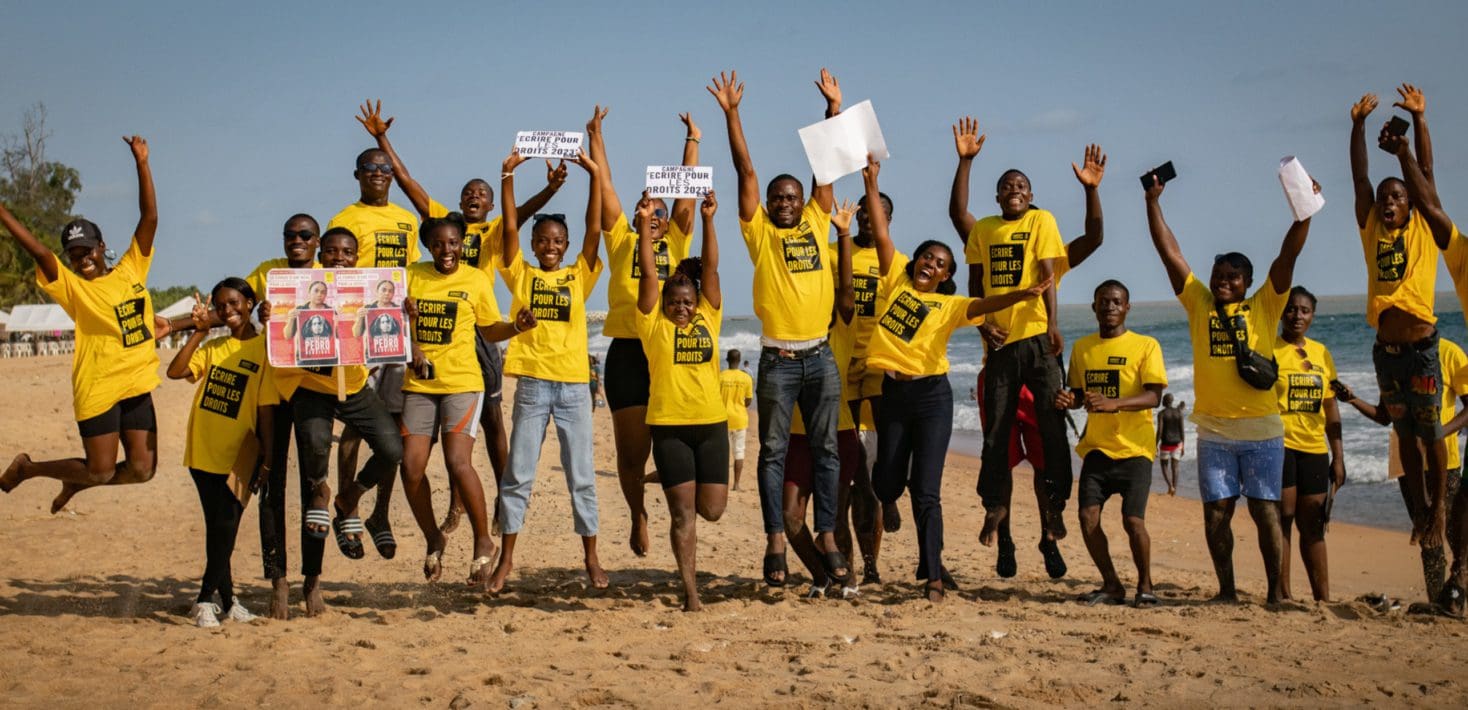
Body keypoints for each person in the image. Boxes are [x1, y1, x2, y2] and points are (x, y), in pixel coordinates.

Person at [355, 100, 566, 539]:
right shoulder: (440, 227)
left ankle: (504, 502)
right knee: (427, 429)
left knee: (491, 421)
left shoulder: (491, 232)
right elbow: (409, 184)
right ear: (456, 205)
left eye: (482, 194)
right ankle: (445, 503)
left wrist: (550, 190)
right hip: (434, 335)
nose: (475, 197)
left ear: (490, 205)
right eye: (469, 192)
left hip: (478, 332)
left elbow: (520, 212)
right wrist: (381, 139)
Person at [862, 155, 1048, 601]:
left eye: (941, 263)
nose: (932, 263)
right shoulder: (894, 282)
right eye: (927, 256)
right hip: (891, 396)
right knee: (886, 481)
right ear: (916, 263)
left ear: (947, 276)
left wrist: (1027, 292)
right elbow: (882, 233)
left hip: (931, 399)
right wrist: (872, 183)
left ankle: (933, 576)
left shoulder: (949, 307)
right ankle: (888, 499)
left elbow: (984, 304)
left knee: (926, 490)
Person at [1144, 167, 1314, 604]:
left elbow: (1287, 257)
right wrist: (1153, 202)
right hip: (1215, 432)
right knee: (1216, 514)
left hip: (1262, 431)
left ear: (1248, 283)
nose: (1223, 281)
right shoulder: (1199, 304)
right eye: (1218, 274)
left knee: (1264, 512)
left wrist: (1305, 212)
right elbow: (1171, 254)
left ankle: (1276, 594)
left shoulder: (1265, 305)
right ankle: (1226, 592)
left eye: (1232, 277)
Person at [709, 68, 848, 587]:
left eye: (793, 196)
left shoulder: (817, 218)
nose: (787, 203)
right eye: (779, 198)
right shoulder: (759, 234)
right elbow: (746, 170)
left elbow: (826, 168)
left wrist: (833, 111)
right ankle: (774, 541)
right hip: (778, 361)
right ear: (768, 206)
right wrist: (732, 114)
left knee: (828, 450)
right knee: (772, 452)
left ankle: (828, 535)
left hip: (821, 357)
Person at [951, 117, 1100, 551]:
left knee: (1053, 426)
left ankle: (1053, 504)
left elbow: (1051, 272)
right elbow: (974, 284)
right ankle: (994, 506)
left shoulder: (1044, 225)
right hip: (1000, 348)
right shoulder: (985, 230)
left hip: (1037, 342)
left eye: (1022, 186)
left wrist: (1053, 326)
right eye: (1007, 186)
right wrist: (982, 326)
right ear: (997, 196)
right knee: (996, 433)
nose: (1014, 190)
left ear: (1032, 196)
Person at [1, 136, 160, 513]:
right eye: (73, 254)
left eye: (86, 250)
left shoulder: (132, 267)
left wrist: (141, 163)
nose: (81, 258)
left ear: (102, 246)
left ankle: (75, 484)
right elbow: (38, 251)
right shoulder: (70, 287)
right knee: (101, 470)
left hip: (136, 383)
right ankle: (29, 468)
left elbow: (150, 218)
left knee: (143, 470)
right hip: (98, 385)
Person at [263, 227, 404, 616]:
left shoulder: (363, 290)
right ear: (321, 256)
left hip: (354, 386)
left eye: (347, 252)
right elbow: (284, 334)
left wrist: (395, 317)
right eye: (331, 252)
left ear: (357, 257)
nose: (339, 258)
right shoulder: (301, 293)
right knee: (313, 461)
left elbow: (369, 335)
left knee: (392, 449)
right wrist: (274, 319)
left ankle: (348, 498)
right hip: (310, 387)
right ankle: (310, 578)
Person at [489, 147, 606, 592]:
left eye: (558, 241)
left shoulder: (580, 274)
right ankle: (506, 560)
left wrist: (594, 174)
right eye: (544, 241)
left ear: (567, 245)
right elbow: (510, 228)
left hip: (575, 387)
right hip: (534, 386)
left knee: (581, 477)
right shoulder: (521, 274)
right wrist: (508, 174)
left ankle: (591, 558)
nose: (551, 247)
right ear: (534, 246)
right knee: (518, 474)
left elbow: (595, 229)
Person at [584, 106, 700, 557]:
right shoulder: (621, 240)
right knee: (632, 457)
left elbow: (687, 195)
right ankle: (637, 514)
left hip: (670, 355)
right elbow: (606, 184)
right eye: (644, 205)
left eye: (659, 209)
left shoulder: (677, 243)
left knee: (672, 452)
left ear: (668, 222)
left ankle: (677, 518)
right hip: (629, 355)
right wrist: (596, 134)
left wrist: (693, 140)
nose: (651, 212)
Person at [1349, 90, 1458, 568]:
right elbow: (1359, 178)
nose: (1388, 202)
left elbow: (1428, 179)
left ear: (1410, 203)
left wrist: (1419, 119)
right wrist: (1355, 127)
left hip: (1422, 351)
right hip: (1385, 352)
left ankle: (1438, 509)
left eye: (1397, 197)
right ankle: (1420, 510)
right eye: (1383, 198)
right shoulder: (1372, 227)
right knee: (1403, 432)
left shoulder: (1422, 231)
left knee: (1431, 432)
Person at [399, 213, 536, 589]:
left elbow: (490, 330)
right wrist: (409, 336)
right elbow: (388, 323)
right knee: (410, 468)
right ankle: (434, 536)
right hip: (420, 385)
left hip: (462, 382)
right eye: (439, 244)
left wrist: (517, 327)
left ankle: (482, 539)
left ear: (463, 245)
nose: (447, 251)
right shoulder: (412, 275)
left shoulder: (475, 280)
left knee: (458, 462)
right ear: (429, 246)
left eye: (454, 243)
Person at [324, 137, 422, 560]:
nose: (379, 174)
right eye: (370, 168)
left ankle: (379, 513)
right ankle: (348, 504)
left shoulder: (406, 220)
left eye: (385, 168)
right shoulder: (345, 217)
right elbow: (332, 271)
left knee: (394, 426)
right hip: (356, 330)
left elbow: (412, 272)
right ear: (357, 176)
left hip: (395, 329)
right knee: (355, 425)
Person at [634, 191, 727, 611]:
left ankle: (673, 478)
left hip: (711, 425)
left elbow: (710, 268)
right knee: (683, 516)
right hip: (669, 427)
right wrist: (642, 231)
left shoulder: (709, 315)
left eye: (688, 302)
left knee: (713, 511)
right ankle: (691, 592)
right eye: (675, 302)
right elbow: (651, 277)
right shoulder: (653, 326)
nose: (682, 308)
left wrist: (708, 220)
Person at [166, 278, 278, 627]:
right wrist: (199, 331)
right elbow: (176, 371)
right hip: (202, 452)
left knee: (224, 528)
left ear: (250, 303)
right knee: (220, 530)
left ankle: (219, 601)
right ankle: (214, 602)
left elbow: (265, 412)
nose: (228, 311)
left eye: (234, 303)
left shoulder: (264, 350)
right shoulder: (214, 349)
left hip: (237, 457)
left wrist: (268, 461)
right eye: (221, 306)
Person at [1055, 280, 1167, 607]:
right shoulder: (1084, 348)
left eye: (1117, 302)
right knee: (1087, 518)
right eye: (1103, 302)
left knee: (1133, 521)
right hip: (1097, 448)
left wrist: (1113, 403)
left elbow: (1154, 396)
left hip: (1135, 449)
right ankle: (1112, 585)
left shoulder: (1146, 346)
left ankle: (1145, 585)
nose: (1110, 308)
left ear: (1127, 307)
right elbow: (1079, 394)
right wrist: (1068, 398)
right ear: (1094, 307)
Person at [1336, 338, 1468, 611]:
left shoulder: (1448, 352)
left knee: (1457, 539)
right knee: (1428, 537)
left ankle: (1455, 599)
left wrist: (1436, 434)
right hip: (1407, 465)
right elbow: (1386, 416)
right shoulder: (1390, 355)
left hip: (1446, 463)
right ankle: (1438, 603)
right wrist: (1352, 399)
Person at [243, 214, 321, 618]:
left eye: (305, 235)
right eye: (290, 235)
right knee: (270, 484)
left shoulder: (332, 277)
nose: (297, 240)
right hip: (271, 391)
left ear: (317, 240)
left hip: (313, 391)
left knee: (314, 487)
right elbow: (234, 304)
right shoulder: (267, 273)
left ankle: (313, 580)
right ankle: (278, 581)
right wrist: (259, 313)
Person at [782, 200, 861, 599]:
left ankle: (846, 580)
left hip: (840, 432)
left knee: (838, 513)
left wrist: (844, 233)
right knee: (791, 517)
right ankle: (820, 575)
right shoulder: (791, 328)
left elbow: (846, 290)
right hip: (796, 436)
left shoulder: (842, 325)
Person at [843, 183, 906, 586]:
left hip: (881, 367)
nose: (869, 217)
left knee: (887, 455)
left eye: (877, 211)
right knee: (852, 472)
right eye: (864, 211)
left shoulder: (897, 262)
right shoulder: (838, 253)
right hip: (840, 365)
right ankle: (855, 564)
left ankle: (890, 495)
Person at [1272, 286, 1345, 602]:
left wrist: (1338, 456)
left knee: (1313, 524)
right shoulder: (1268, 348)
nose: (1297, 315)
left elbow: (1330, 406)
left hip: (1315, 448)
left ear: (1312, 315)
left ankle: (1323, 599)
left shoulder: (1321, 353)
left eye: (1304, 310)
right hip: (1279, 446)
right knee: (1282, 520)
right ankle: (1282, 594)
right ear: (1280, 312)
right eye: (1291, 309)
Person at [719, 349, 753, 490]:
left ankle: (723, 483)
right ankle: (737, 484)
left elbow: (715, 398)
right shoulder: (746, 378)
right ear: (739, 361)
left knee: (723, 452)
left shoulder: (721, 376)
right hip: (740, 419)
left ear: (727, 360)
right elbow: (749, 401)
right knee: (739, 452)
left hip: (723, 419)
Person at [1156, 394, 1186, 496]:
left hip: (1166, 444)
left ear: (1164, 401)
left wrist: (1155, 444)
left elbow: (1160, 431)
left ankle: (1170, 486)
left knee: (1164, 466)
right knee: (1175, 466)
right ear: (1172, 401)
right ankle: (1175, 489)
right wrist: (1183, 445)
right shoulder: (1179, 413)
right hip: (1177, 443)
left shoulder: (1162, 414)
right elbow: (1182, 431)